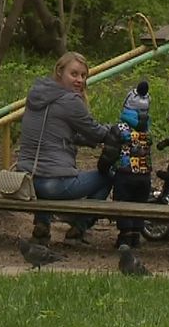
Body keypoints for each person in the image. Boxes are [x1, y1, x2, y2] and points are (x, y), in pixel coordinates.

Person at [17, 52, 112, 246]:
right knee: (108, 176)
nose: (80, 80)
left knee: (49, 173)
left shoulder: (37, 94)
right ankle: (79, 227)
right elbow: (96, 132)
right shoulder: (70, 101)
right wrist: (115, 131)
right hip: (54, 184)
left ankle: (42, 225)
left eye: (83, 75)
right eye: (74, 74)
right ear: (60, 72)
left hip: (27, 179)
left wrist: (90, 142)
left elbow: (60, 133)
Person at [97, 81, 153, 248]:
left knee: (123, 204)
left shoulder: (119, 129)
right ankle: (136, 235)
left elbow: (110, 153)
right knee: (139, 204)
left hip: (125, 174)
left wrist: (103, 168)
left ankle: (125, 236)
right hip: (144, 176)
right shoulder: (147, 131)